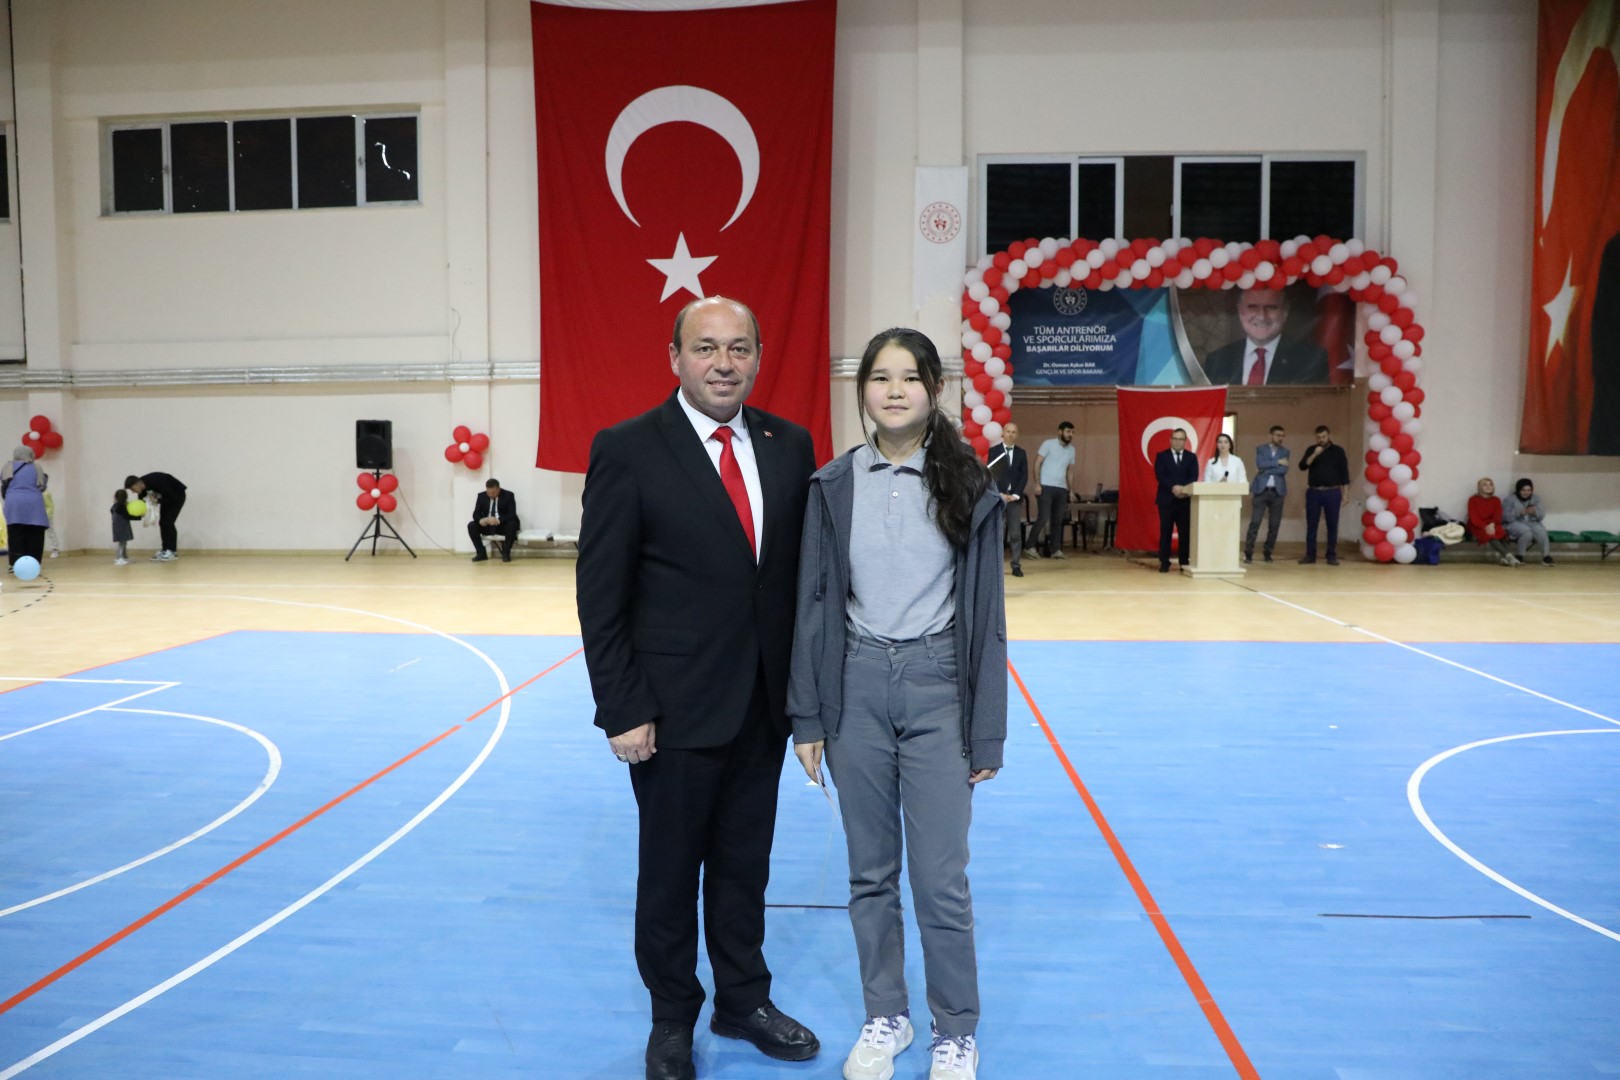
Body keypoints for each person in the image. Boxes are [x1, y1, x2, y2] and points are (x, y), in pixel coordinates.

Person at [575, 296, 819, 1080]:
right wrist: (623, 707)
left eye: (739, 348)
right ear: (675, 357)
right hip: (670, 714)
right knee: (671, 875)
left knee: (746, 866)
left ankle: (743, 1000)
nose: (724, 363)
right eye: (707, 347)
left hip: (762, 707)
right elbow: (601, 594)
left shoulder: (790, 444)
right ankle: (672, 1016)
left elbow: (796, 582)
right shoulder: (627, 448)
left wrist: (806, 701)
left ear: (758, 358)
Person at [788, 327, 1005, 1080]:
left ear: (934, 389)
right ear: (864, 392)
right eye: (880, 377)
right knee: (870, 874)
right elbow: (814, 605)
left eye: (909, 377)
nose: (894, 390)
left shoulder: (969, 486)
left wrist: (987, 731)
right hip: (856, 687)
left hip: (940, 686)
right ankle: (887, 1015)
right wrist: (808, 717)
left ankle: (956, 1028)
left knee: (941, 880)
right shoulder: (832, 485)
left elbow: (988, 616)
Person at [1203, 288, 1330, 386]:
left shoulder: (1310, 360)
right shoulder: (1217, 360)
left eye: (1271, 308)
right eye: (1253, 307)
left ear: (1285, 312)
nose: (1261, 316)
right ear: (1241, 311)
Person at [1297, 425, 1349, 565]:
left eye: (1323, 437)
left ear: (1329, 436)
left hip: (1333, 491)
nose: (1321, 439)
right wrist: (1314, 454)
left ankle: (1331, 555)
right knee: (1311, 524)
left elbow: (1344, 473)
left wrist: (1345, 494)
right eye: (1318, 437)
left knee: (1332, 524)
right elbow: (1302, 466)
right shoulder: (1311, 449)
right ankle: (1310, 555)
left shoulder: (1338, 451)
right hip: (1314, 492)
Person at [1154, 428, 1198, 573]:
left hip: (1184, 500)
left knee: (1185, 533)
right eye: (1175, 438)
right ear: (1170, 440)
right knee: (1165, 531)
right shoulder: (1162, 456)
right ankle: (1164, 561)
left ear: (1185, 441)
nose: (1177, 442)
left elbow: (1193, 476)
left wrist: (1183, 489)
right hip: (1166, 499)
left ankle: (1184, 561)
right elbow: (1160, 475)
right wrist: (1173, 487)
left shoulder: (1191, 457)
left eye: (1181, 439)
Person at [1244, 425, 1290, 563]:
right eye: (1277, 435)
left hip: (1277, 492)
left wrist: (1268, 469)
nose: (1280, 438)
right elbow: (1260, 465)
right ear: (1271, 435)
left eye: (1282, 436)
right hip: (1261, 491)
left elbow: (1283, 470)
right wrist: (1277, 462)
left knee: (1274, 525)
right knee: (1255, 522)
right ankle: (1248, 552)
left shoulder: (1285, 451)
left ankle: (1268, 552)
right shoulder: (1261, 449)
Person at [988, 421, 1028, 577]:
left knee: (1015, 533)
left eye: (1013, 432)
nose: (1010, 434)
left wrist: (1016, 494)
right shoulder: (994, 451)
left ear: (1017, 435)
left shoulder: (1021, 453)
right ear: (1002, 434)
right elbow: (991, 475)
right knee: (997, 532)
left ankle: (1016, 565)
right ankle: (996, 566)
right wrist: (1000, 494)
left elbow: (1024, 476)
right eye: (1008, 431)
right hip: (999, 499)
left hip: (1015, 499)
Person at [1031, 420, 1075, 558]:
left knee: (1058, 520)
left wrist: (1071, 490)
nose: (1070, 434)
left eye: (1072, 432)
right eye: (1068, 431)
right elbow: (1037, 463)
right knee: (1044, 517)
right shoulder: (1048, 444)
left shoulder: (1072, 450)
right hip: (1045, 486)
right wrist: (1037, 484)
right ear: (1060, 432)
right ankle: (1030, 546)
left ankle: (1056, 550)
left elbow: (1070, 472)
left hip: (1061, 488)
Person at [3, 447, 48, 572]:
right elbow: (42, 486)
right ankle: (34, 564)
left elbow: (4, 482)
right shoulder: (37, 467)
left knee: (15, 534)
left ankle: (14, 564)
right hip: (34, 504)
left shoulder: (8, 466)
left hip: (14, 504)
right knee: (35, 535)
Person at [124, 472, 187, 561]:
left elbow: (171, 497)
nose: (133, 492)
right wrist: (126, 515)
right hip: (166, 498)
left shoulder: (155, 481)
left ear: (137, 484)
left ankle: (172, 551)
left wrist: (156, 500)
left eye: (133, 489)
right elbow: (143, 509)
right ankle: (165, 550)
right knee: (163, 522)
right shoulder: (142, 492)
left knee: (168, 522)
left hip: (177, 495)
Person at [1503, 477, 1553, 566]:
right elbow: (1504, 517)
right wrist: (1519, 512)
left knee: (1542, 531)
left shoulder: (1536, 499)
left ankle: (1546, 556)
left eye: (1529, 490)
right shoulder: (1510, 500)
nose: (1526, 493)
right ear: (1518, 490)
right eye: (1523, 490)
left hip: (1531, 522)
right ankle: (1520, 556)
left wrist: (1535, 512)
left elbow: (1541, 516)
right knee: (1527, 532)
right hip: (1514, 523)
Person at [467, 478, 519, 562]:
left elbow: (511, 514)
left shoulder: (508, 495)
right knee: (471, 525)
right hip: (487, 525)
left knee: (512, 524)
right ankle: (481, 553)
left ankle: (506, 553)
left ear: (498, 489)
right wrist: (481, 520)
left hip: (502, 525)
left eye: (493, 493)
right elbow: (475, 514)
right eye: (489, 492)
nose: (491, 495)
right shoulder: (481, 496)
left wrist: (498, 520)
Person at [1466, 478, 1516, 566]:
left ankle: (1503, 559)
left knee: (1501, 531)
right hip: (1477, 525)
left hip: (1492, 524)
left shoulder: (1496, 500)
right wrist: (1485, 527)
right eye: (1485, 485)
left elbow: (1497, 515)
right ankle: (1508, 555)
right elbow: (1474, 518)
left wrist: (1492, 524)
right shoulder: (1473, 499)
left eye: (1490, 484)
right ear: (1480, 487)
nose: (1488, 487)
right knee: (1489, 534)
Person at [112, 488, 138, 566]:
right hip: (122, 527)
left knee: (123, 542)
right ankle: (118, 558)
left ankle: (124, 557)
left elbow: (112, 512)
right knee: (122, 543)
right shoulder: (121, 507)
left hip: (117, 526)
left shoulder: (115, 506)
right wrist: (139, 516)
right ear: (126, 497)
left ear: (115, 497)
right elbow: (128, 516)